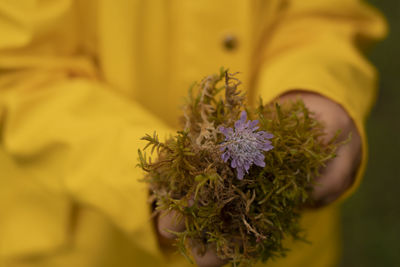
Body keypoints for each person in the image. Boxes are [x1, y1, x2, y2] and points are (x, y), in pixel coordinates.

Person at [0, 1, 386, 267]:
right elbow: (22, 74)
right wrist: (156, 182)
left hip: (275, 237)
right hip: (86, 247)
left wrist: (314, 92)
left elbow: (321, 15)